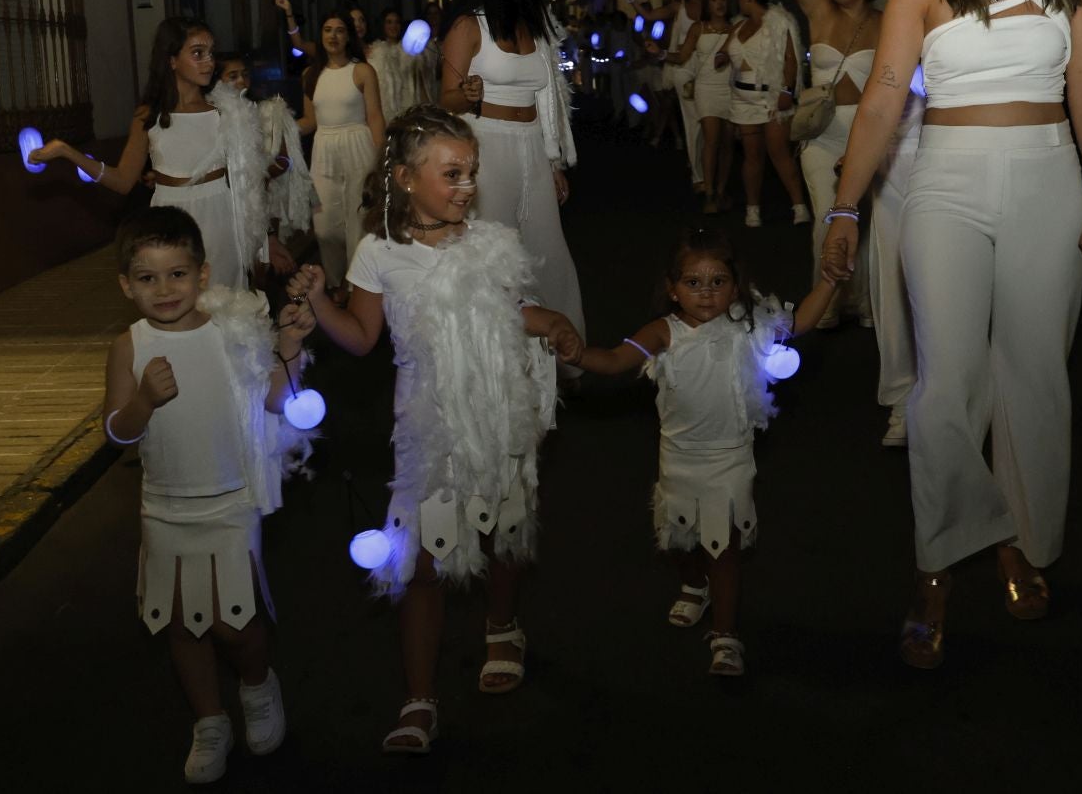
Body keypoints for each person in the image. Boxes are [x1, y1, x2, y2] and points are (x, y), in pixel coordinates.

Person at [820, 0, 1082, 669]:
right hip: (946, 184)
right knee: (945, 385)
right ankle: (937, 561)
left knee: (1035, 375)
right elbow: (884, 99)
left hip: (1049, 179)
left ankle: (1020, 544)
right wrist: (844, 209)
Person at [287, 106, 582, 754]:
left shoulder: (488, 240)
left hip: (496, 413)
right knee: (422, 563)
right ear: (405, 178)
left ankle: (501, 626)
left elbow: (512, 311)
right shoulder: (379, 253)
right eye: (452, 173)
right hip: (429, 426)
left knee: (504, 531)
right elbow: (361, 336)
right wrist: (318, 302)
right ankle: (419, 697)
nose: (467, 185)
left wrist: (552, 321)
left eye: (471, 171)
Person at [100, 206, 317, 784]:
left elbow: (274, 399)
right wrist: (143, 401)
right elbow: (116, 432)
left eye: (177, 274)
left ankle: (257, 685)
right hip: (166, 506)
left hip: (229, 500)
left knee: (234, 623)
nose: (164, 289)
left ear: (202, 274)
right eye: (147, 278)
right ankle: (208, 719)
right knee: (181, 622)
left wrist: (290, 345)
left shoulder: (231, 332)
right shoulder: (129, 346)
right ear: (125, 285)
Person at [573, 228, 835, 677]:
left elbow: (803, 322)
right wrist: (576, 354)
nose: (707, 292)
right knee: (681, 536)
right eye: (693, 282)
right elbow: (616, 360)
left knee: (724, 547)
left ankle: (725, 634)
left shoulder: (748, 326)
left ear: (735, 286)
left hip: (730, 456)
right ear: (672, 289)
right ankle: (694, 585)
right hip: (679, 457)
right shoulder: (663, 332)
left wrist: (829, 281)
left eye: (718, 282)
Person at [28, 19, 279, 289]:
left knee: (223, 300)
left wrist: (265, 242)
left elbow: (250, 181)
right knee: (174, 298)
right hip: (169, 218)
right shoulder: (148, 116)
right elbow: (123, 181)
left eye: (211, 53)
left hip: (221, 216)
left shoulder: (225, 111)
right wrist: (66, 152)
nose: (209, 62)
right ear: (172, 60)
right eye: (197, 53)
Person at [440, 0, 586, 352]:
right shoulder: (469, 26)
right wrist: (466, 93)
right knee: (495, 251)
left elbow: (548, 101)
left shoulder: (536, 28)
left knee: (547, 250)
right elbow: (445, 99)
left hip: (533, 148)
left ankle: (561, 353)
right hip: (487, 147)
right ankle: (498, 354)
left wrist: (553, 161)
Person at [781, 0, 886, 328]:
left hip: (868, 134)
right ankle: (824, 305)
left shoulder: (886, 23)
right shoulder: (819, 12)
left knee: (868, 223)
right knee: (827, 217)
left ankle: (862, 303)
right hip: (823, 135)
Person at [278, 0, 386, 295]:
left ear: (348, 36)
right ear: (321, 34)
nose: (333, 36)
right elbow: (310, 121)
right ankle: (336, 279)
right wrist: (280, 130)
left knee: (358, 223)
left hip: (359, 146)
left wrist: (382, 162)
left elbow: (375, 117)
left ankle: (354, 290)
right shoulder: (310, 75)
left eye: (339, 30)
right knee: (325, 227)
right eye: (327, 30)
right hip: (324, 150)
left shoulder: (362, 71)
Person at [722, 0, 811, 227]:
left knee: (779, 153)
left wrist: (786, 90)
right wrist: (721, 56)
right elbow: (725, 49)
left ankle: (799, 206)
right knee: (752, 156)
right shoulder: (738, 25)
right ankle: (753, 209)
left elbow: (791, 59)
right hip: (743, 100)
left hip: (770, 98)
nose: (738, 1)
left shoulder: (779, 22)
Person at [218, 53, 312, 272]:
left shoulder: (264, 111)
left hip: (262, 200)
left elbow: (284, 159)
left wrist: (259, 173)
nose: (241, 81)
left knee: (262, 263)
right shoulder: (212, 116)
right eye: (233, 76)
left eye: (245, 74)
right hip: (224, 203)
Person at [622, 0, 711, 191]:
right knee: (692, 120)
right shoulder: (679, 8)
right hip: (683, 67)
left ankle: (701, 163)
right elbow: (648, 16)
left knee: (707, 120)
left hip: (706, 69)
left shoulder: (712, 8)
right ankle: (698, 174)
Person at [664, 0, 737, 211]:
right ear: (707, 4)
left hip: (729, 89)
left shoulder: (735, 28)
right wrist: (660, 53)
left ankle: (721, 190)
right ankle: (709, 194)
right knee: (711, 141)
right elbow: (682, 57)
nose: (719, 3)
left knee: (727, 144)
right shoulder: (698, 28)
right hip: (706, 89)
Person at [370, 7, 428, 122]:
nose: (393, 26)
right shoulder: (375, 53)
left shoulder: (411, 54)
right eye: (389, 22)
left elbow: (419, 85)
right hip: (386, 113)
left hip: (409, 110)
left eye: (397, 22)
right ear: (382, 25)